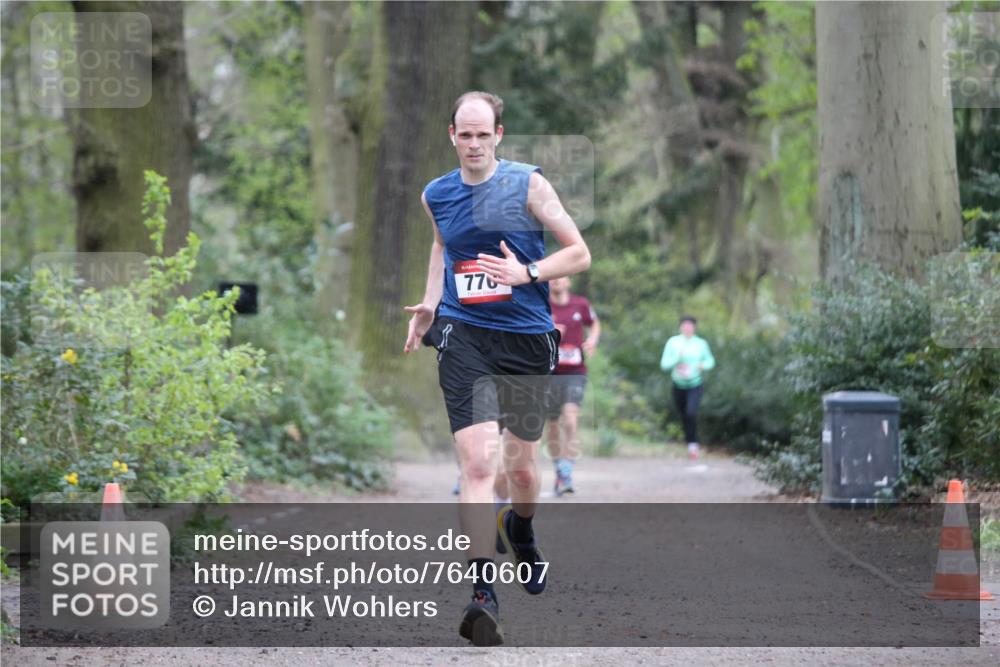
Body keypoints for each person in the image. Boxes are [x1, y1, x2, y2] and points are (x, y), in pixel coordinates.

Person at [403, 91, 590, 646]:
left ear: (499, 135)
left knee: (523, 472)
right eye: (466, 134)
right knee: (478, 464)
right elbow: (441, 248)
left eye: (484, 134)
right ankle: (483, 595)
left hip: (526, 340)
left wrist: (526, 271)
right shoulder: (436, 194)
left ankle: (521, 527)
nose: (475, 143)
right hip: (464, 337)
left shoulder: (528, 185)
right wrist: (431, 305)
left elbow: (577, 252)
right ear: (452, 136)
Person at [544, 276, 600, 495]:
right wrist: (549, 331)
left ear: (569, 281)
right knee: (553, 424)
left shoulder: (581, 304)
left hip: (575, 372)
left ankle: (567, 469)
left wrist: (593, 340)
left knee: (570, 418)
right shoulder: (542, 304)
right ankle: (559, 467)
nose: (556, 281)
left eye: (561, 278)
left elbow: (594, 322)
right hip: (549, 371)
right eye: (553, 278)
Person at [659, 315, 715, 460]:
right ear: (680, 327)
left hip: (695, 384)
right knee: (683, 415)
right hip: (678, 384)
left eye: (690, 325)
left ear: (694, 327)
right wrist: (677, 358)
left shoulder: (701, 343)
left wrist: (701, 365)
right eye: (685, 325)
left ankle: (693, 446)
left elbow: (710, 361)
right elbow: (664, 365)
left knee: (691, 413)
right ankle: (689, 442)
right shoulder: (673, 342)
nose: (687, 328)